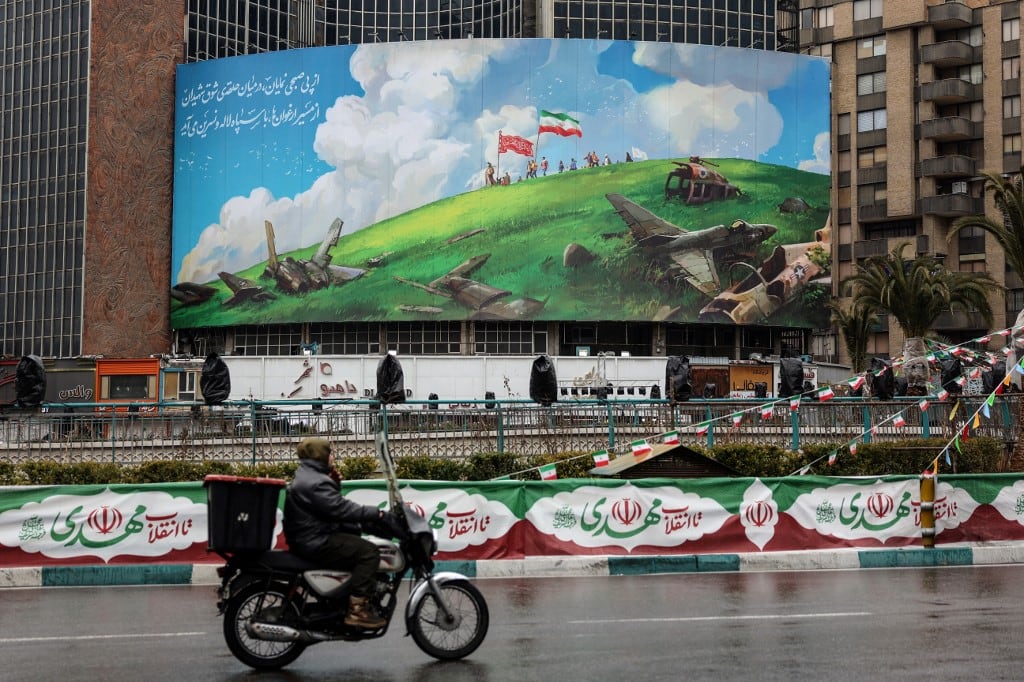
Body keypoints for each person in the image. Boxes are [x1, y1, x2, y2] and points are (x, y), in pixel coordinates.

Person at [283, 437, 403, 630]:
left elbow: (329, 508)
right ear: (319, 455)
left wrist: (334, 484)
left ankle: (345, 599)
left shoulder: (310, 476)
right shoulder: (315, 482)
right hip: (316, 540)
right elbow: (340, 509)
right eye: (329, 452)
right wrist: (377, 513)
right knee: (369, 552)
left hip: (311, 536)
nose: (332, 456)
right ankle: (357, 611)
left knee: (354, 539)